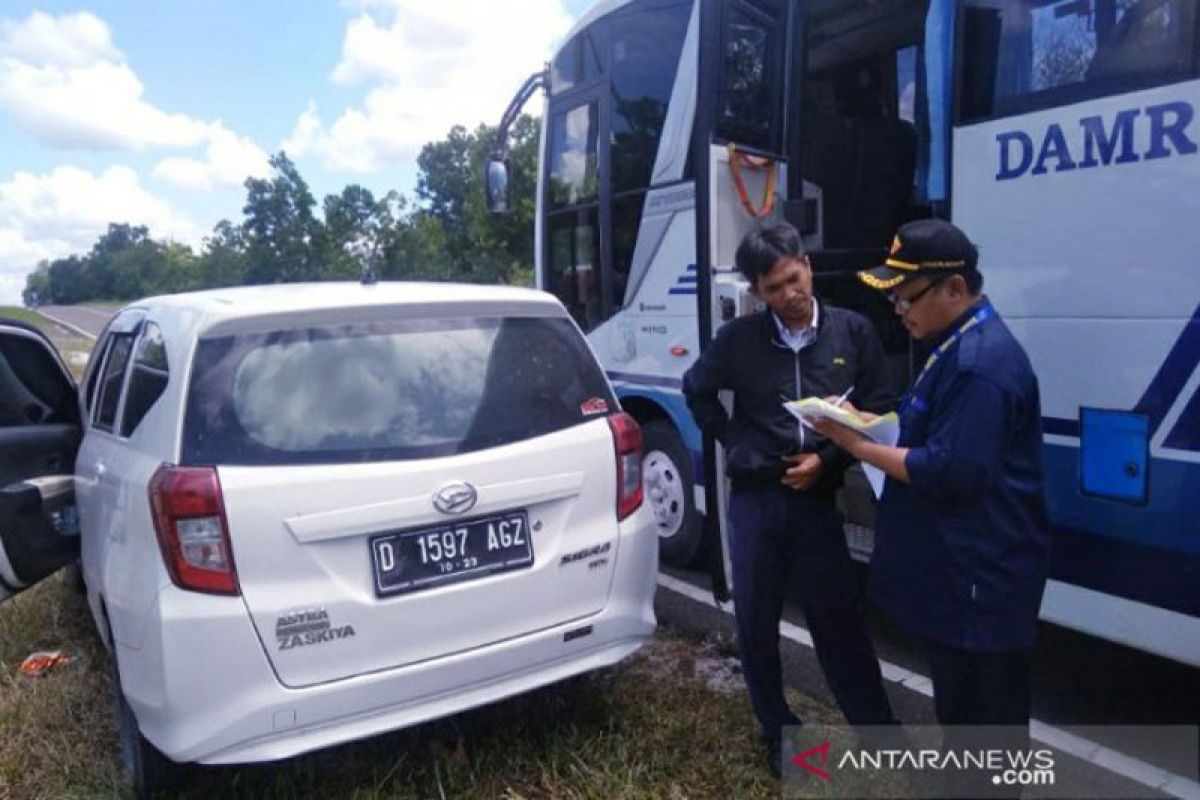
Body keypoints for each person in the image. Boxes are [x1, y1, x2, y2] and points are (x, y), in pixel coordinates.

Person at [811, 219, 1050, 790]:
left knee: (985, 730)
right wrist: (869, 425)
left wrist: (853, 443)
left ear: (956, 290)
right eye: (893, 294)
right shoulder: (954, 345)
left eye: (906, 294)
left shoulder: (978, 364)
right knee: (962, 721)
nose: (897, 307)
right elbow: (931, 436)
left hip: (981, 581)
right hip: (963, 575)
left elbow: (950, 471)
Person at [682, 222, 896, 777]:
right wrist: (735, 442)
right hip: (757, 501)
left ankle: (878, 733)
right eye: (774, 289)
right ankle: (778, 732)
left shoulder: (853, 332)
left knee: (838, 623)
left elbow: (879, 406)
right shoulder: (739, 341)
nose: (789, 296)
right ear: (756, 292)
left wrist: (827, 460)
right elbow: (696, 389)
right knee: (755, 623)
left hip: (817, 499)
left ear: (808, 265)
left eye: (794, 279)